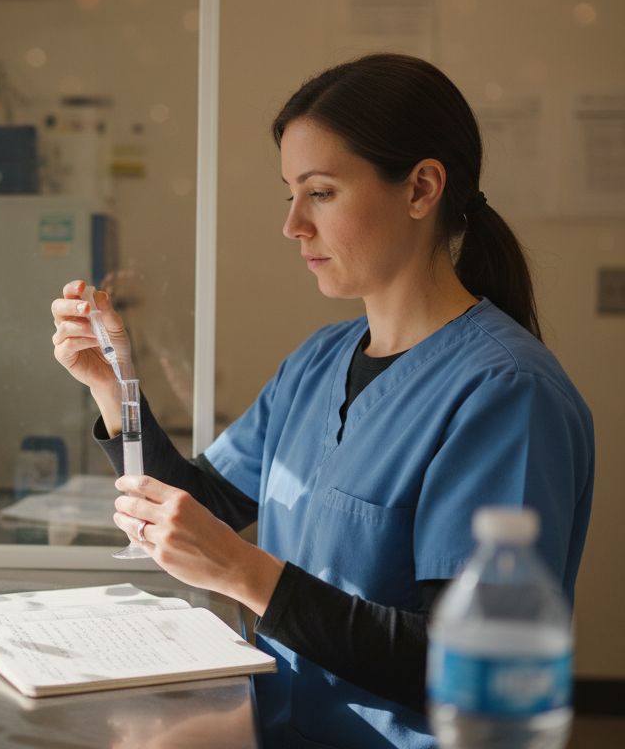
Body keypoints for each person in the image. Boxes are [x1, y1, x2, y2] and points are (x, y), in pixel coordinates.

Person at [49, 53, 594, 749]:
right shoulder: (318, 362)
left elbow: (470, 661)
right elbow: (208, 506)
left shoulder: (506, 394)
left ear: (422, 187)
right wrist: (112, 380)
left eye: (322, 193)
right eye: (290, 195)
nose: (293, 225)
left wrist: (246, 572)